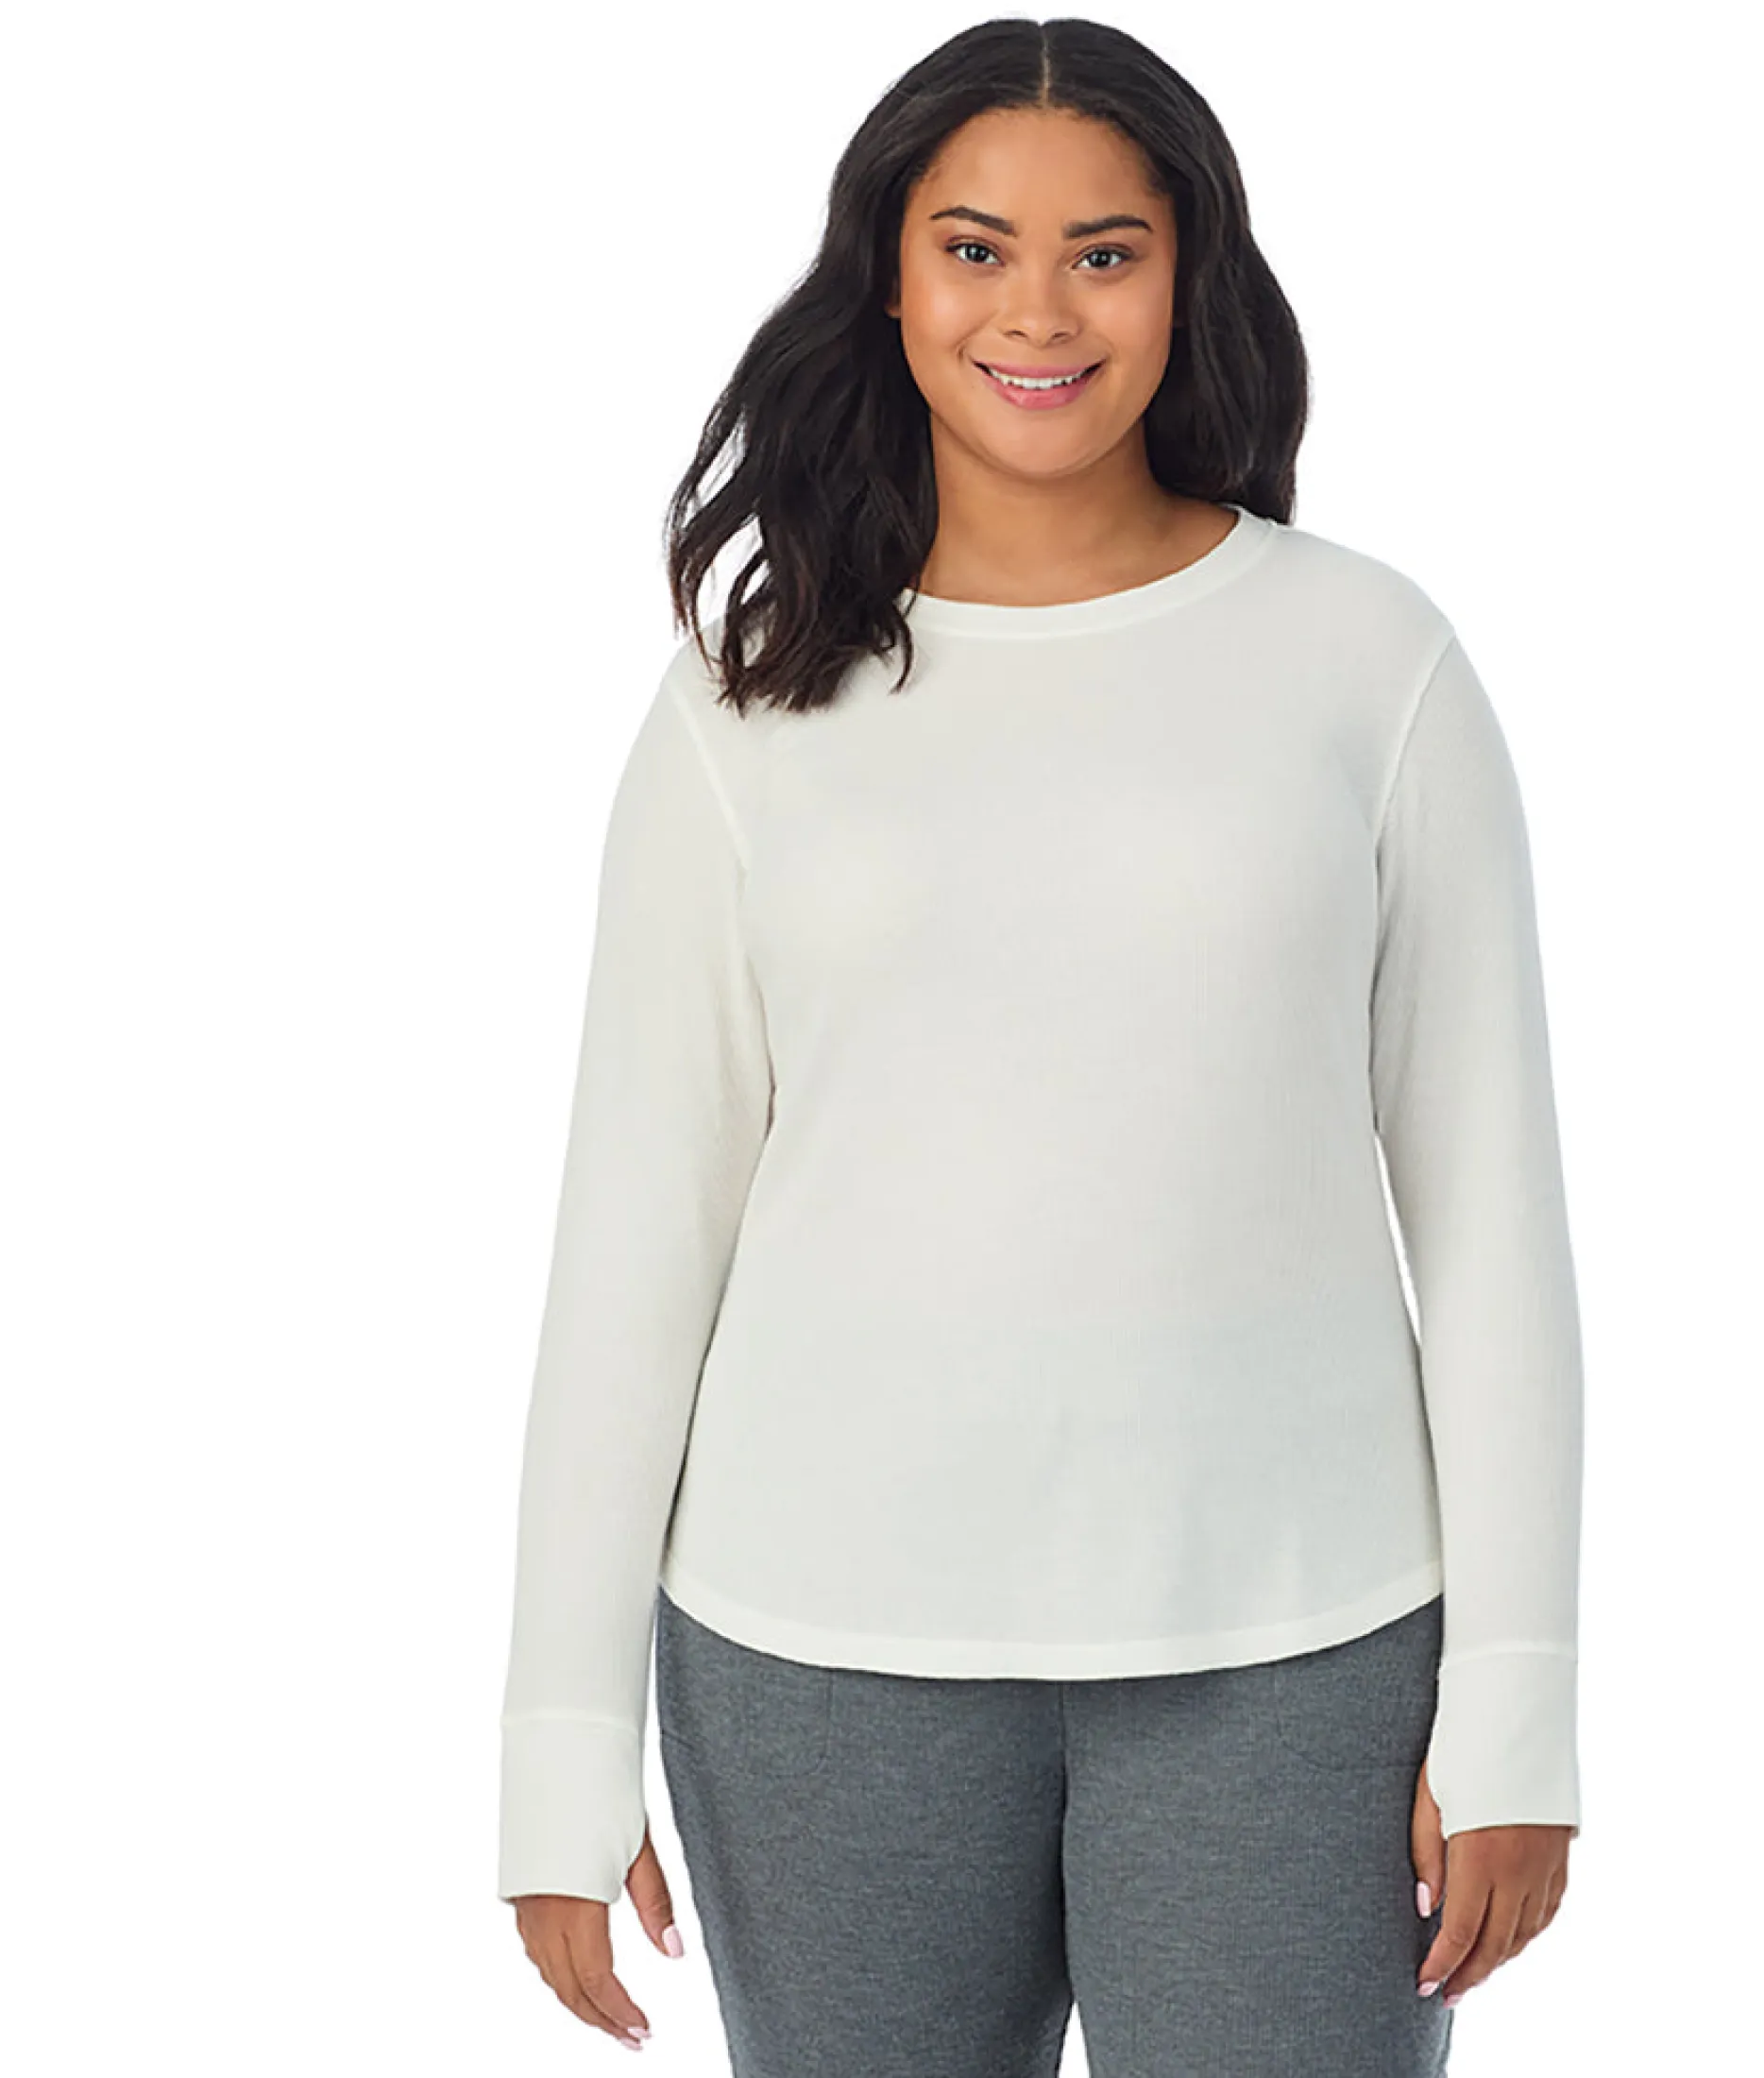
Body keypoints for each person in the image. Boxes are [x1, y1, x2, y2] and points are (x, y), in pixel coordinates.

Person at [498, 16, 1585, 2073]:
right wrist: (558, 1735)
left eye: (1106, 252)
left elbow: (1492, 1222)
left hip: (1303, 1648)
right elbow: (635, 1235)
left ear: (1188, 279)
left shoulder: (1368, 661)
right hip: (820, 1654)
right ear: (888, 280)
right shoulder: (745, 700)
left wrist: (1515, 1701)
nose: (1037, 311)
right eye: (974, 247)